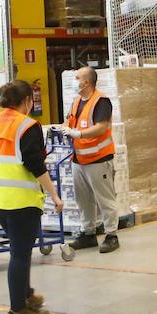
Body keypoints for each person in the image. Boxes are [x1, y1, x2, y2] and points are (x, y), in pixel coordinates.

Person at [0, 79, 64, 314]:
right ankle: (18, 311)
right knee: (19, 253)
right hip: (19, 201)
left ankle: (25, 294)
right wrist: (55, 196)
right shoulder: (28, 126)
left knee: (21, 249)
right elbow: (35, 165)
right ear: (27, 101)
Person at [55, 67, 120, 254]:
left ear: (87, 82)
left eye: (77, 78)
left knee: (105, 199)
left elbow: (101, 127)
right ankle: (88, 233)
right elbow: (69, 123)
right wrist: (62, 129)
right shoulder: (76, 101)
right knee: (83, 200)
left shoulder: (101, 102)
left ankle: (111, 235)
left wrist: (79, 133)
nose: (74, 81)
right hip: (79, 159)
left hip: (99, 159)